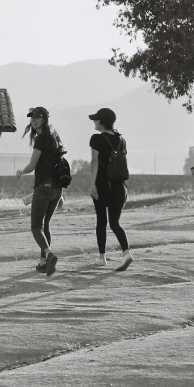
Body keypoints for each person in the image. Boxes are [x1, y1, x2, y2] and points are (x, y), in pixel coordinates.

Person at [16, 107, 64, 276]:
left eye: (37, 117)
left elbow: (32, 165)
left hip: (44, 187)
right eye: (32, 117)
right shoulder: (54, 137)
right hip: (56, 189)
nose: (33, 120)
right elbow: (59, 165)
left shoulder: (41, 139)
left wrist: (21, 171)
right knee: (45, 226)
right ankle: (43, 263)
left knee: (36, 227)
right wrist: (61, 193)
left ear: (45, 119)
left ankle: (49, 255)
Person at [88, 108, 133, 271]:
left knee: (101, 221)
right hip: (120, 187)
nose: (94, 121)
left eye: (96, 119)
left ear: (103, 121)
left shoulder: (96, 139)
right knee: (115, 222)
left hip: (102, 185)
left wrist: (92, 184)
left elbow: (94, 162)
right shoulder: (122, 140)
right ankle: (126, 253)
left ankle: (102, 257)